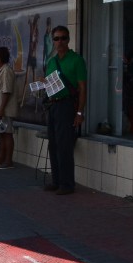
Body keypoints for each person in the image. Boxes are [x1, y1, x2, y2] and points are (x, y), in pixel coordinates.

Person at [44, 26, 87, 195]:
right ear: (53, 41)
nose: (59, 42)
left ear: (68, 40)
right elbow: (49, 84)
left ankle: (67, 184)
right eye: (56, 38)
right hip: (53, 105)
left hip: (67, 105)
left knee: (64, 146)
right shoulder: (51, 61)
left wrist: (79, 112)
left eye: (63, 38)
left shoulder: (77, 60)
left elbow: (83, 88)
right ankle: (56, 181)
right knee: (53, 145)